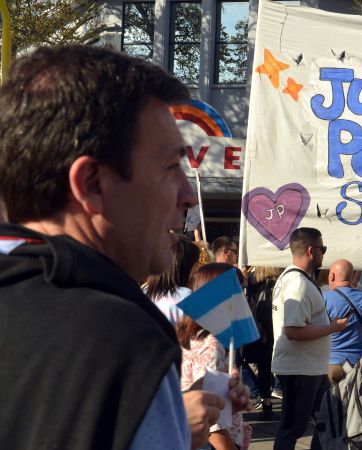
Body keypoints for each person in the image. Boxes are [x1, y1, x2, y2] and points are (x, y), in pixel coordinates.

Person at [0, 45, 249, 450]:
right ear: (92, 185)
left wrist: (171, 420)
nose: (186, 195)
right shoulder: (123, 343)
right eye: (170, 168)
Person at [271, 227, 348, 450]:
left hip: (309, 368)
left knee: (326, 419)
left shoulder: (292, 278)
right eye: (323, 249)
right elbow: (293, 330)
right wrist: (332, 327)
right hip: (300, 370)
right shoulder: (298, 283)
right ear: (311, 250)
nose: (324, 254)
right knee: (292, 427)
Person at [178, 263, 250, 450]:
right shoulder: (212, 343)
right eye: (238, 291)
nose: (243, 298)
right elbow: (213, 423)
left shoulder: (190, 334)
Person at [323, 259, 362, 383]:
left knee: (331, 401)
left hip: (332, 363)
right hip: (359, 363)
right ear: (352, 276)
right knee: (357, 401)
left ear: (331, 276)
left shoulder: (324, 298)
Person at [243, 266, 283, 418]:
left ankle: (266, 403)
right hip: (277, 332)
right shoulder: (281, 286)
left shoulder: (254, 287)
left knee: (264, 369)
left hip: (261, 335)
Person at [144, 236, 201, 325]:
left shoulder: (142, 292)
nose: (197, 270)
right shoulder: (185, 296)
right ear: (186, 267)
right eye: (196, 265)